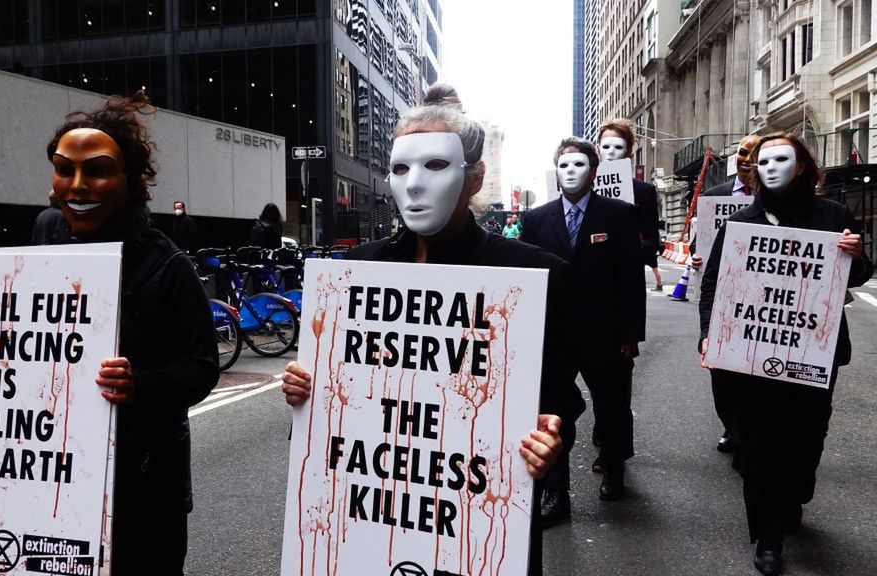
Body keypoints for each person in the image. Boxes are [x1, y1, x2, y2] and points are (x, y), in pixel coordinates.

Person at [0, 93, 220, 576]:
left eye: (97, 170)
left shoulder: (167, 264)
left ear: (132, 183)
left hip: (143, 490)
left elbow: (201, 368)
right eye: (63, 169)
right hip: (50, 487)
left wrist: (139, 385)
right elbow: (11, 334)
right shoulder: (46, 232)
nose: (77, 185)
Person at [279, 83, 584, 574]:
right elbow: (336, 397)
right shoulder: (355, 271)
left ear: (475, 177)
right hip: (372, 518)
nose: (415, 185)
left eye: (436, 166)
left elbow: (558, 397)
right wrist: (306, 390)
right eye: (400, 169)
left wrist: (552, 432)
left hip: (475, 528)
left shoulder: (535, 278)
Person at [700, 132, 872, 576]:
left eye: (782, 159)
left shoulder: (832, 215)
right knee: (759, 445)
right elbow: (714, 286)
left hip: (815, 350)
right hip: (753, 354)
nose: (770, 167)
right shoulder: (740, 223)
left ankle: (795, 495)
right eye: (763, 161)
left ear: (801, 167)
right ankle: (767, 536)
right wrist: (708, 336)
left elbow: (857, 275)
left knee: (806, 438)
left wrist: (856, 255)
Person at [520, 136, 645, 526]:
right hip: (555, 333)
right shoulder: (537, 218)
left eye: (578, 165)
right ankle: (556, 491)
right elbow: (526, 277)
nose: (570, 172)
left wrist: (631, 333)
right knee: (554, 411)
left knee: (612, 403)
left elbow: (630, 278)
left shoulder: (620, 214)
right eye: (563, 165)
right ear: (554, 171)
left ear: (593, 172)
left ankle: (613, 464)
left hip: (606, 332)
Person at [690, 133, 761, 455]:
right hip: (726, 302)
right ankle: (733, 427)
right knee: (724, 377)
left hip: (764, 303)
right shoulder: (714, 197)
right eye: (743, 152)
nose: (746, 159)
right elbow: (700, 246)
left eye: (755, 153)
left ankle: (750, 434)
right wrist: (695, 257)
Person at [598, 118, 663, 291]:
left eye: (618, 147)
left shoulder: (644, 191)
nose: (611, 153)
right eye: (605, 147)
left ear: (628, 153)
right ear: (598, 151)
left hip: (626, 281)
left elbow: (651, 240)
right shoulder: (584, 188)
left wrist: (626, 248)